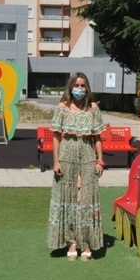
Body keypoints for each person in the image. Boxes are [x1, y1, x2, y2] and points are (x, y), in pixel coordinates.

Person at [47, 72, 106, 260]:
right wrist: (56, 161)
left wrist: (100, 160)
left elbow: (97, 137)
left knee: (87, 198)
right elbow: (56, 136)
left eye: (83, 86)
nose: (79, 89)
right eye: (77, 85)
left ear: (87, 88)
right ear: (70, 87)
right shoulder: (62, 108)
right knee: (68, 196)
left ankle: (87, 242)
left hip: (87, 153)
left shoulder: (93, 108)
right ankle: (72, 242)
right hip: (67, 153)